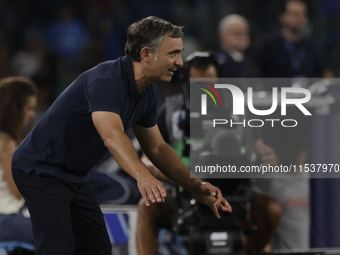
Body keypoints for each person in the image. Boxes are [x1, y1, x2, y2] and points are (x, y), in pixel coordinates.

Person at [11, 16, 232, 255]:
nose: (179, 62)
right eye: (173, 53)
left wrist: (196, 186)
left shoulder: (146, 92)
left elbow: (157, 148)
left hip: (74, 176)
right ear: (146, 54)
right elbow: (112, 136)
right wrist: (142, 176)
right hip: (40, 169)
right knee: (58, 248)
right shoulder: (107, 81)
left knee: (97, 248)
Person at [136, 51, 282, 255]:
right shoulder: (169, 111)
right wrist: (157, 170)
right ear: (187, 79)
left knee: (271, 210)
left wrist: (268, 157)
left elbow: (260, 147)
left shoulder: (240, 110)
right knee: (147, 207)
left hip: (235, 190)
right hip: (183, 188)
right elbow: (147, 154)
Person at [250, 0, 330, 250]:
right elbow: (251, 80)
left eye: (301, 14)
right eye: (292, 14)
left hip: (305, 129)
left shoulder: (310, 48)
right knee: (269, 195)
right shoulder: (269, 47)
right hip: (274, 126)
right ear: (283, 17)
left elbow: (326, 75)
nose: (297, 19)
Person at [0, 77, 37, 244]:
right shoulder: (5, 143)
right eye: (28, 108)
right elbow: (18, 190)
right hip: (5, 220)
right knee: (63, 235)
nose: (32, 114)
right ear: (14, 109)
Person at [217, 14, 257, 78]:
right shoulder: (220, 65)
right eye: (236, 33)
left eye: (245, 33)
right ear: (222, 36)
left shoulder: (251, 61)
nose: (241, 37)